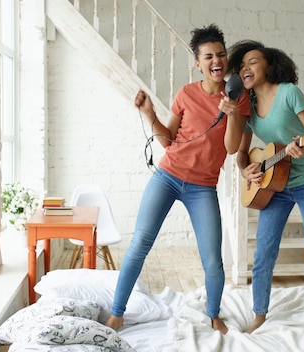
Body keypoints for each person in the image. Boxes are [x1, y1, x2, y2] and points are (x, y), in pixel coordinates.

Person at [105, 24, 249, 335]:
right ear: (198, 63)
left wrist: (233, 113)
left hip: (203, 187)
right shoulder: (186, 93)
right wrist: (148, 113)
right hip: (168, 176)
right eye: (208, 56)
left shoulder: (238, 98)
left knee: (213, 260)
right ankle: (117, 313)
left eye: (221, 54)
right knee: (140, 244)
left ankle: (213, 314)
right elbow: (169, 141)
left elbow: (232, 147)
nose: (217, 61)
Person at [227, 40, 304, 339]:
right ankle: (260, 314)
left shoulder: (289, 93)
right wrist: (244, 169)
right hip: (274, 187)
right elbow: (242, 153)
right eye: (242, 65)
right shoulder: (248, 108)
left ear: (269, 65)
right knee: (263, 254)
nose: (246, 67)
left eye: (253, 61)